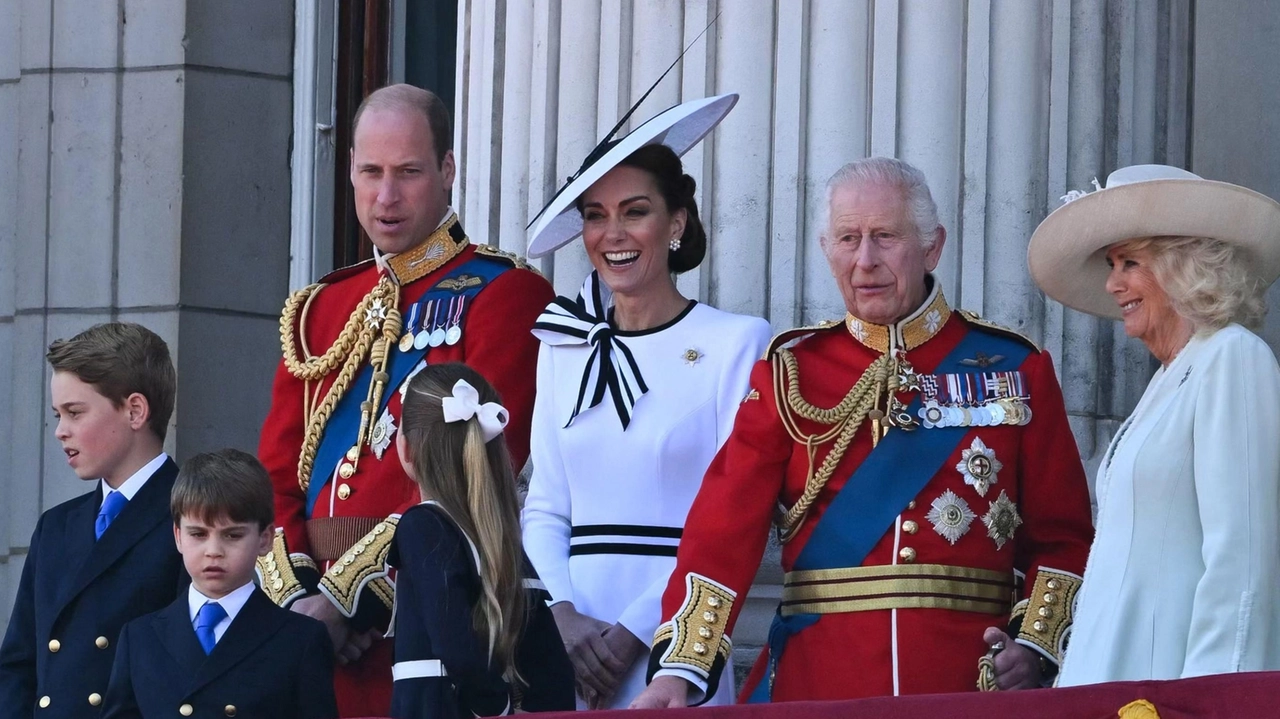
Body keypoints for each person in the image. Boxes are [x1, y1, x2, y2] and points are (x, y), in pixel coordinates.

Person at [631, 157, 1096, 708]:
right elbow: (722, 529)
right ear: (828, 251)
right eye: (848, 239)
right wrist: (677, 671)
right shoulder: (791, 373)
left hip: (968, 685)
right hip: (823, 682)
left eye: (885, 237)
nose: (865, 261)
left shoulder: (1015, 368)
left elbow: (1064, 537)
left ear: (932, 246)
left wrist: (1036, 647)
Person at [257, 84, 554, 716]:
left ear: (448, 171)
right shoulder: (321, 308)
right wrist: (304, 596)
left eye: (408, 173)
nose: (386, 197)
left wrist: (350, 599)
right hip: (311, 634)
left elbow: (472, 470)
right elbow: (276, 476)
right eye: (371, 172)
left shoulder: (504, 295)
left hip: (427, 612)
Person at [521, 94, 770, 709]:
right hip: (571, 651)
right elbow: (546, 506)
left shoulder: (736, 343)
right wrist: (564, 616)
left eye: (635, 212)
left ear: (676, 222)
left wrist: (633, 633)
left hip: (677, 641)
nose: (614, 234)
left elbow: (730, 516)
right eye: (596, 215)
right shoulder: (560, 344)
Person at [1027, 164, 1280, 684]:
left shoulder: (1233, 357)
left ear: (1182, 267)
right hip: (1108, 680)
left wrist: (1215, 699)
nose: (1112, 283)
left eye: (1130, 263)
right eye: (1111, 264)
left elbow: (1242, 563)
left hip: (1167, 690)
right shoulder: (1170, 378)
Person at [0, 322, 186, 718]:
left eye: (75, 413)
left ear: (135, 410)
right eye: (57, 415)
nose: (60, 432)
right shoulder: (56, 526)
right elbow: (18, 666)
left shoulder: (192, 517)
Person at [389, 363, 574, 717]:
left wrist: (495, 706)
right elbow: (555, 671)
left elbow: (454, 643)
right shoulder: (502, 535)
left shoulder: (422, 526)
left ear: (406, 449)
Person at [102, 450, 338, 719]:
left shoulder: (300, 639)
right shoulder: (139, 638)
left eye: (233, 535)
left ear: (265, 538)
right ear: (178, 537)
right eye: (198, 534)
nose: (213, 551)